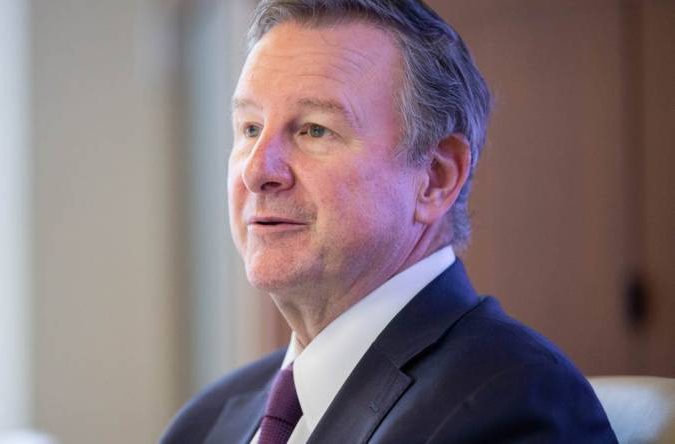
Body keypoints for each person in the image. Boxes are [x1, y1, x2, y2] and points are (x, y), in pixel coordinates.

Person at [161, 1, 617, 443]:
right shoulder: (205, 423)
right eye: (250, 129)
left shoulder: (515, 403)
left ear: (436, 178)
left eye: (315, 129)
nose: (258, 171)